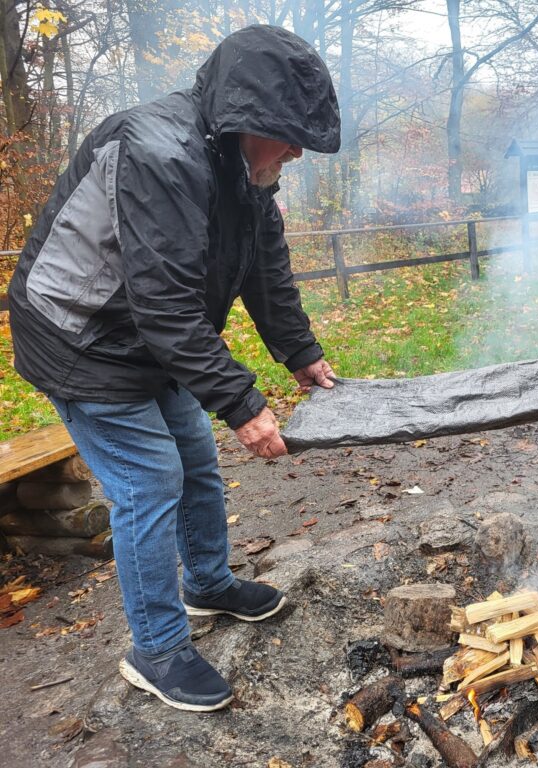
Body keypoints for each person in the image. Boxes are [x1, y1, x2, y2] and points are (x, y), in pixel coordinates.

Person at [8, 25, 341, 712]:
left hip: (147, 337)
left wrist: (300, 352)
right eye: (288, 132)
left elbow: (265, 270)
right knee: (149, 479)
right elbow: (163, 302)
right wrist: (244, 405)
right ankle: (155, 649)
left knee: (195, 455)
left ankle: (208, 584)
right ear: (246, 119)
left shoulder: (246, 166)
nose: (298, 149)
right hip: (80, 337)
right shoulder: (157, 152)